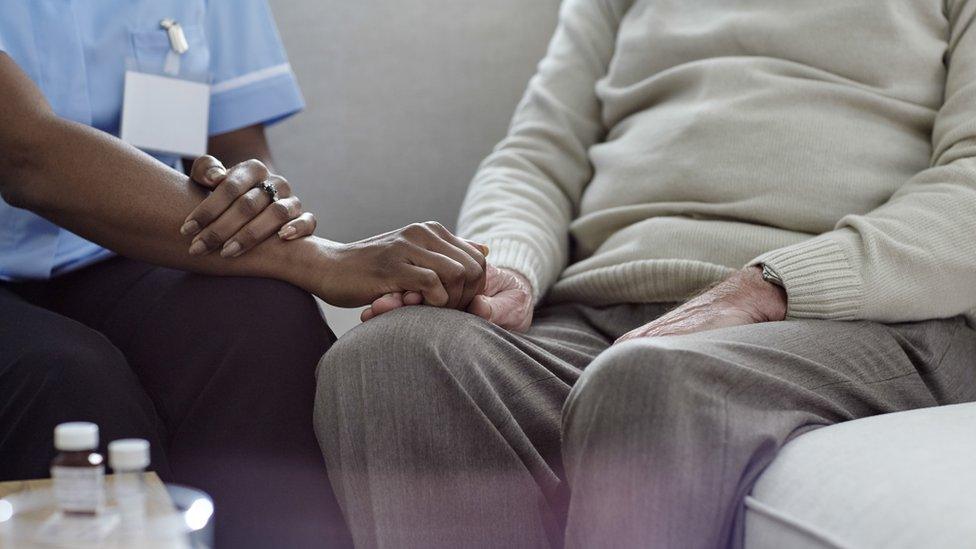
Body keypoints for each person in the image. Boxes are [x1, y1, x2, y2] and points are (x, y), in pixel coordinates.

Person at [315, 0, 976, 547]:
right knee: (389, 356)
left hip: (847, 317)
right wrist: (505, 267)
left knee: (645, 385)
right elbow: (539, 154)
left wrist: (769, 287)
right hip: (598, 311)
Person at [0, 2, 485, 548]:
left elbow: (235, 149)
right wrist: (322, 260)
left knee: (266, 325)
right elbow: (24, 155)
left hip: (136, 247)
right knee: (65, 379)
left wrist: (251, 199)